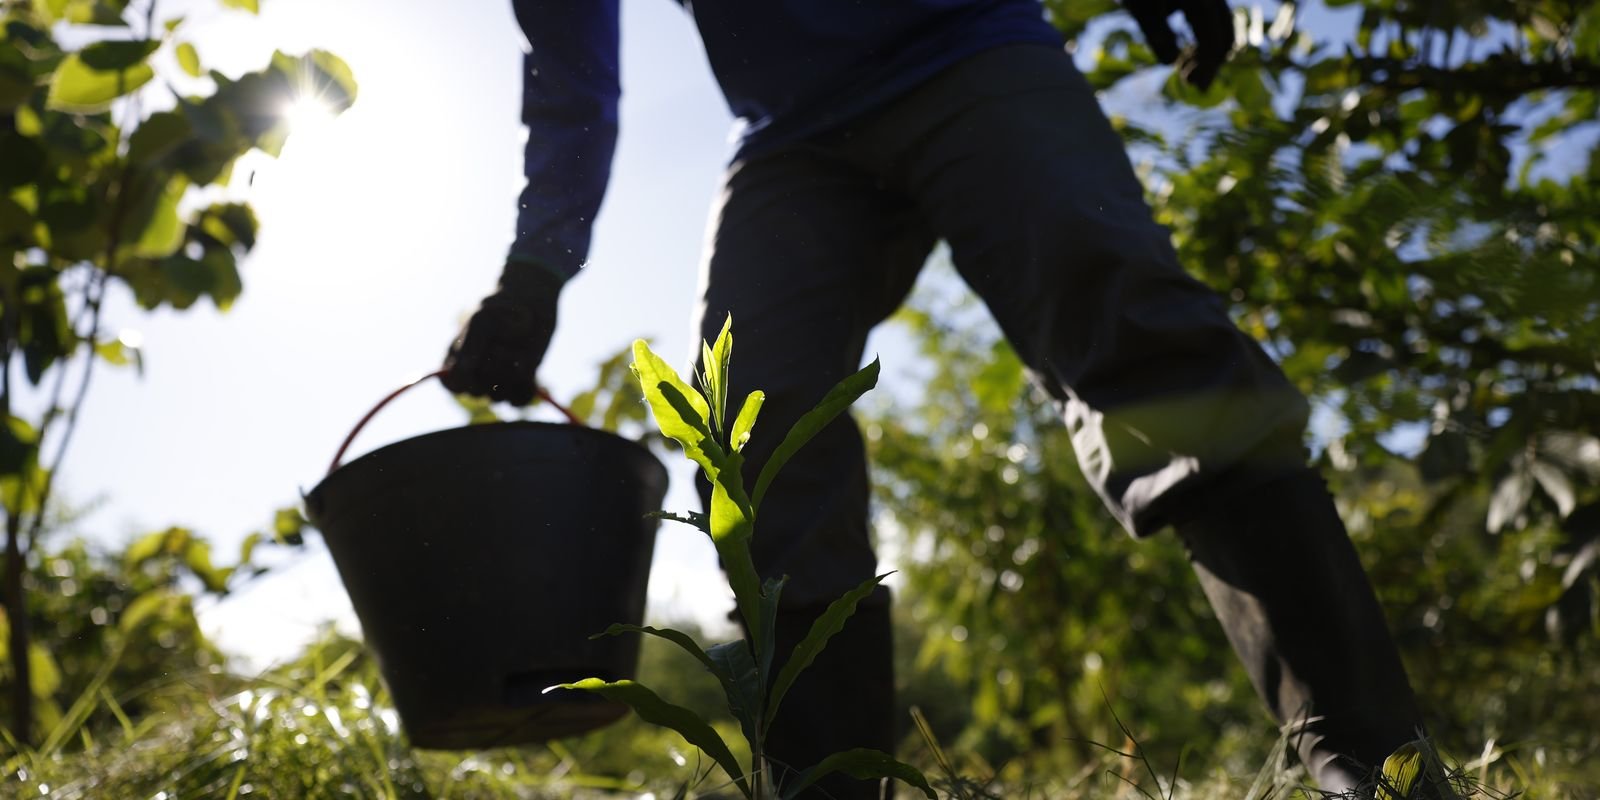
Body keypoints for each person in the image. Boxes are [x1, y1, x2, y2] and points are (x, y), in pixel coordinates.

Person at [443, 2, 1432, 797]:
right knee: (752, 429)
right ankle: (825, 784)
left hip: (968, 40)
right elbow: (571, 74)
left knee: (1131, 323)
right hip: (789, 133)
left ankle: (1369, 759)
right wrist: (534, 272)